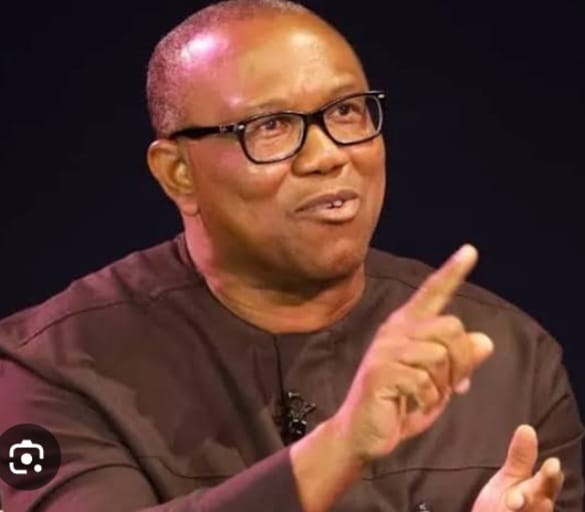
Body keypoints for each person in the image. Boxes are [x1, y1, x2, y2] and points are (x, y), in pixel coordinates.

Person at [0, 0, 582, 510]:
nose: (328, 155)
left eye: (346, 112)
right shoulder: (50, 368)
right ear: (178, 173)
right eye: (272, 125)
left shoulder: (509, 356)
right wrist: (342, 444)